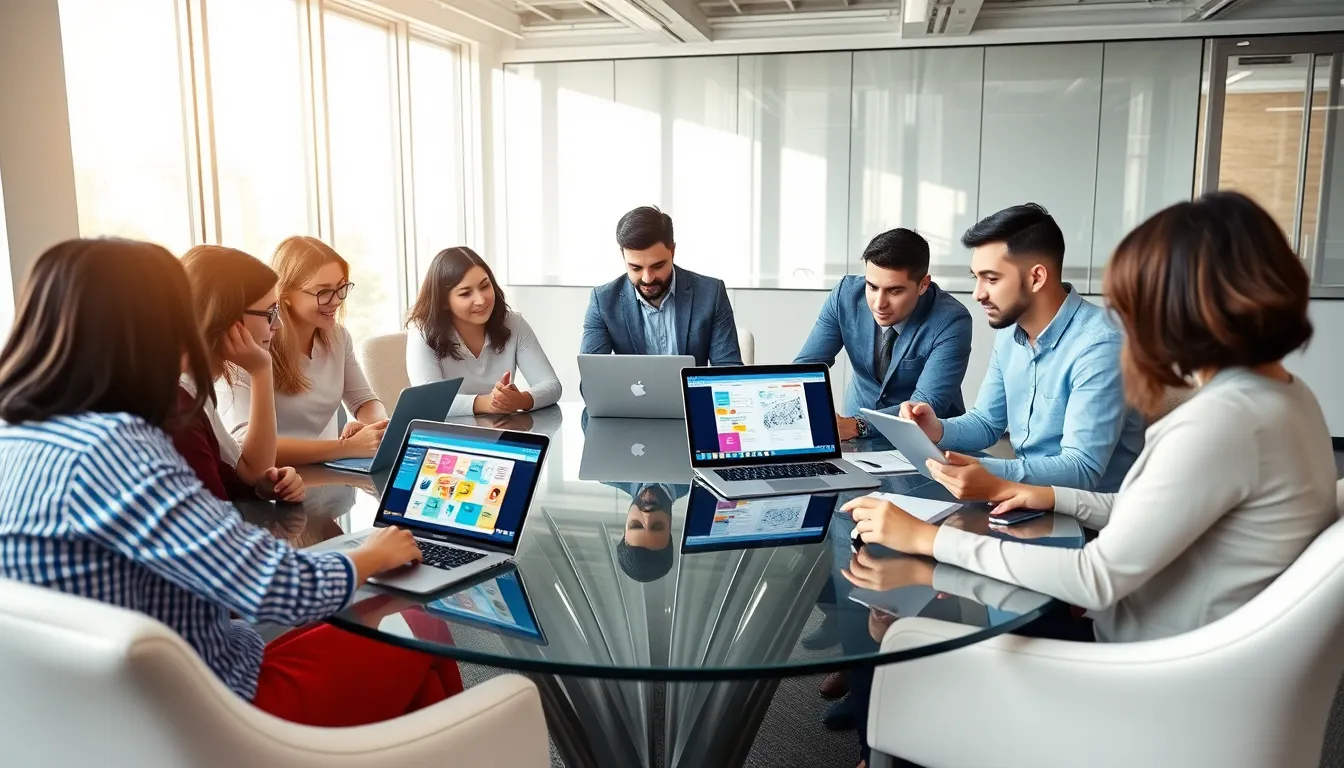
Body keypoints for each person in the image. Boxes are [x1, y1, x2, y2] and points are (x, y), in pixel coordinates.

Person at [0, 238, 465, 727]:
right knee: (420, 624)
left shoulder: (21, 437)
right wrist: (373, 554)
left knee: (405, 666)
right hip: (204, 707)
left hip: (90, 711)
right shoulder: (122, 449)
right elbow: (267, 584)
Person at [846, 192, 1337, 651]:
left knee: (912, 622)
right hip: (1182, 636)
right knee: (926, 583)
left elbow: (1095, 578)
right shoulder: (1283, 398)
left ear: (1187, 306)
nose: (1128, 322)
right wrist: (1045, 493)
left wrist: (930, 538)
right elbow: (1148, 509)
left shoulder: (1221, 423)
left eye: (1136, 301)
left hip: (1142, 659)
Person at [900, 203, 1143, 494]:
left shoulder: (1100, 345)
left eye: (991, 279)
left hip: (1089, 522)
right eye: (975, 278)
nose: (978, 294)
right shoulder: (1010, 333)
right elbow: (987, 423)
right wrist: (936, 429)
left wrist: (986, 472)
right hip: (1028, 501)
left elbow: (1082, 469)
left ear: (1037, 277)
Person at [220, 236, 389, 466]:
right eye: (324, 292)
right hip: (277, 481)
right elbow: (243, 444)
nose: (336, 300)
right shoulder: (251, 348)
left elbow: (364, 401)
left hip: (329, 475)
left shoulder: (338, 337)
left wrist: (375, 428)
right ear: (286, 294)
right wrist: (347, 447)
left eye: (342, 287)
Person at [795, 227, 972, 441]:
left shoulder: (951, 320)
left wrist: (858, 425)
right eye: (872, 286)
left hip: (925, 439)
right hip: (855, 434)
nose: (879, 304)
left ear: (923, 284)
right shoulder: (845, 295)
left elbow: (926, 404)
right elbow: (807, 367)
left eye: (895, 291)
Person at [175, 245, 304, 503]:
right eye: (270, 312)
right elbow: (214, 514)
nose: (277, 325)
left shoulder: (196, 386)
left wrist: (263, 487)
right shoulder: (178, 408)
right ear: (225, 314)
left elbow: (251, 473)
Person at [406, 246, 561, 417]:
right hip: (446, 438)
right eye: (465, 294)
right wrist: (488, 402)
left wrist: (520, 400)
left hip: (500, 433)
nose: (481, 300)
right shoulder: (422, 333)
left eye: (485, 286)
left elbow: (551, 385)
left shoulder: (514, 323)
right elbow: (430, 401)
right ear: (443, 302)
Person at [580, 206, 742, 366]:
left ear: (672, 251)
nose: (647, 278)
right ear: (623, 255)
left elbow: (729, 371)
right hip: (632, 393)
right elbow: (590, 381)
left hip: (691, 393)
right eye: (636, 268)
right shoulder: (603, 301)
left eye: (657, 266)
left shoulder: (711, 294)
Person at [616, 484, 679, 583]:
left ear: (626, 522)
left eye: (636, 525)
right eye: (657, 526)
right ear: (669, 524)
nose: (648, 515)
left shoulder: (603, 473)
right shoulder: (702, 477)